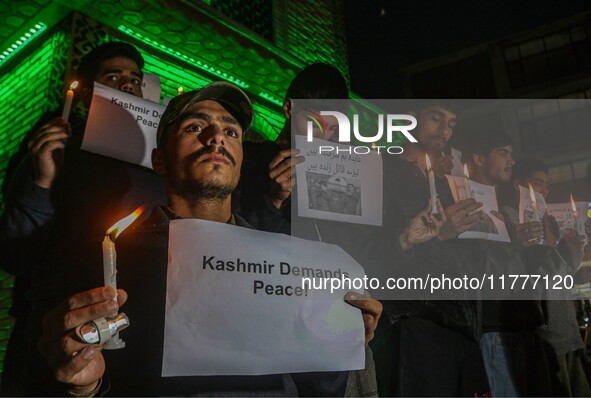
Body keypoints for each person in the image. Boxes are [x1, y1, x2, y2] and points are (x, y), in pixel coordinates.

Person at [34, 83, 383, 396]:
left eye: (231, 132)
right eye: (195, 127)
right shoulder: (111, 257)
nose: (217, 137)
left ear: (241, 163)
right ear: (159, 160)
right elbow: (91, 371)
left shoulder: (288, 263)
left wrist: (339, 347)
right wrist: (84, 386)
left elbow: (319, 388)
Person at [0, 41, 165, 396]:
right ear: (89, 92)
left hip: (150, 330)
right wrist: (41, 181)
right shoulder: (56, 152)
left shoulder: (161, 163)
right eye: (113, 76)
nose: (127, 85)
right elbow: (15, 254)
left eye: (135, 79)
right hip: (65, 329)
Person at [373, 100, 491, 397]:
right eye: (436, 118)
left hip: (463, 322)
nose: (444, 130)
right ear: (411, 120)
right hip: (411, 322)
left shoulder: (450, 184)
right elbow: (380, 249)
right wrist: (440, 235)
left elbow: (468, 257)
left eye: (451, 123)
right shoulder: (381, 171)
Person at [463, 131, 562, 396]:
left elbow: (533, 277)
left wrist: (551, 248)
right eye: (503, 153)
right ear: (479, 159)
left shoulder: (509, 212)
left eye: (512, 154)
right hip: (497, 330)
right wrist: (512, 248)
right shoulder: (467, 208)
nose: (511, 161)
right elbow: (482, 280)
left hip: (529, 326)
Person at [511, 158, 591, 396]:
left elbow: (558, 275)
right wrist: (561, 255)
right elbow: (533, 278)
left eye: (546, 185)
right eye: (538, 183)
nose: (545, 190)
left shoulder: (550, 224)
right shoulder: (516, 226)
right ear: (519, 186)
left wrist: (576, 270)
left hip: (566, 329)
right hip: (546, 334)